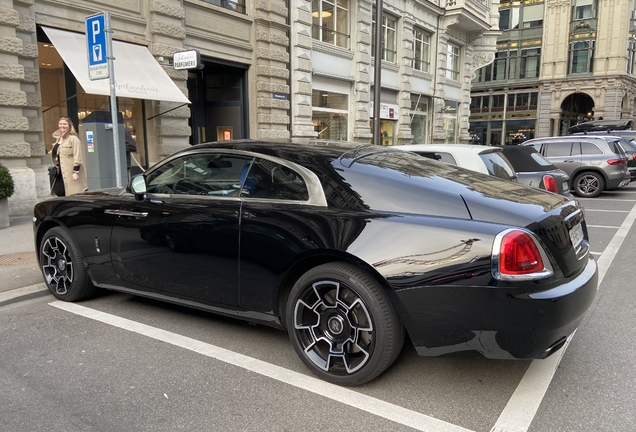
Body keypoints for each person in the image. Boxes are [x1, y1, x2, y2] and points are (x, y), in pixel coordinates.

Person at [52, 116, 87, 195]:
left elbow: (78, 156)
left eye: (65, 124)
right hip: (60, 173)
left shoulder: (73, 139)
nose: (62, 126)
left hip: (71, 173)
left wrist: (75, 171)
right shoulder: (58, 139)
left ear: (69, 126)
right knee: (59, 192)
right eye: (60, 124)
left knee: (73, 194)